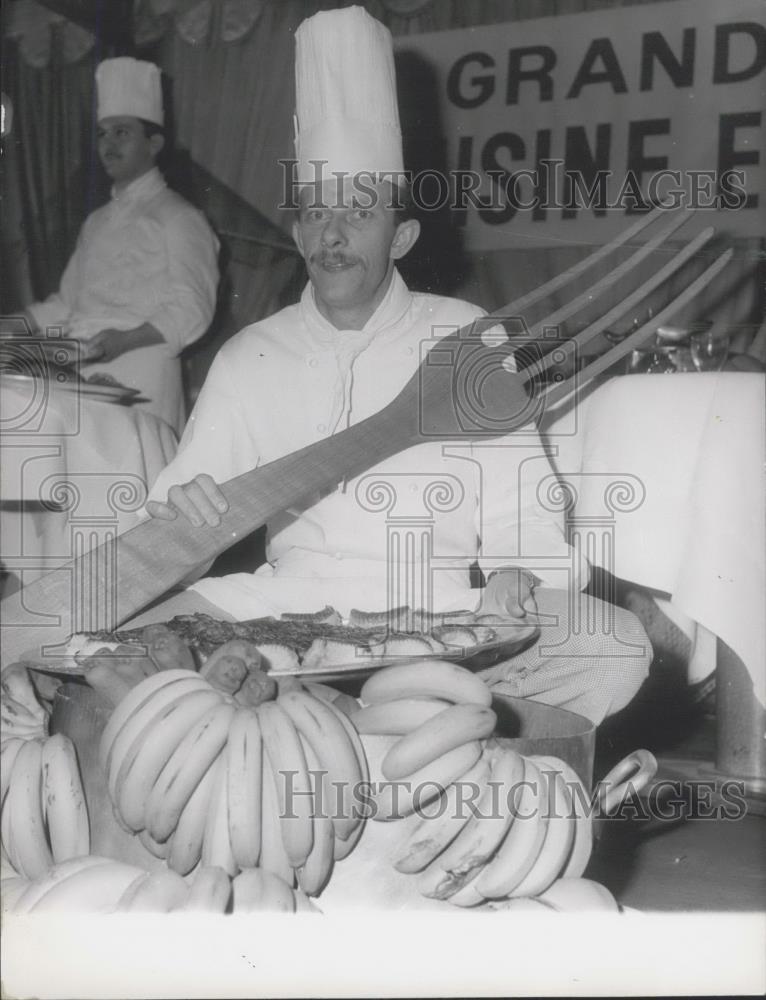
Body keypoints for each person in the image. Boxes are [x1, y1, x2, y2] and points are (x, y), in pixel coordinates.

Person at [142, 6, 650, 725]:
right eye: (316, 212)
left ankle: (380, 729)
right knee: (123, 647)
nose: (333, 233)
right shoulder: (251, 355)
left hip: (438, 621)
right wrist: (184, 513)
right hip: (279, 615)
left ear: (403, 233)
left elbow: (527, 506)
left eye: (359, 212)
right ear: (297, 231)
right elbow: (173, 525)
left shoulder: (467, 336)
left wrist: (516, 570)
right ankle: (373, 723)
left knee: (614, 648)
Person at [25, 57, 220, 435]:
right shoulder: (95, 222)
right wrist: (12, 327)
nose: (108, 144)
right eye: (102, 133)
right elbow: (66, 305)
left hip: (141, 378)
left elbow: (192, 308)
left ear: (154, 142)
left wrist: (124, 341)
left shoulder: (179, 217)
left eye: (121, 133)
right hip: (82, 374)